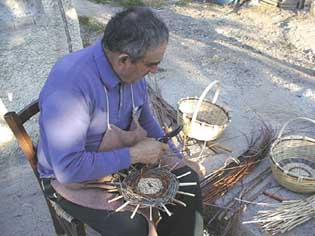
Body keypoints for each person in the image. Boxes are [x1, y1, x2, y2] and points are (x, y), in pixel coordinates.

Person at [37, 6, 203, 236]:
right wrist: (135, 155)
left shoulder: (132, 72)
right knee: (134, 226)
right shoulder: (70, 86)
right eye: (151, 64)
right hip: (71, 180)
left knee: (189, 181)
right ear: (123, 60)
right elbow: (68, 170)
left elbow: (146, 120)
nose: (155, 70)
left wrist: (176, 159)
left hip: (118, 161)